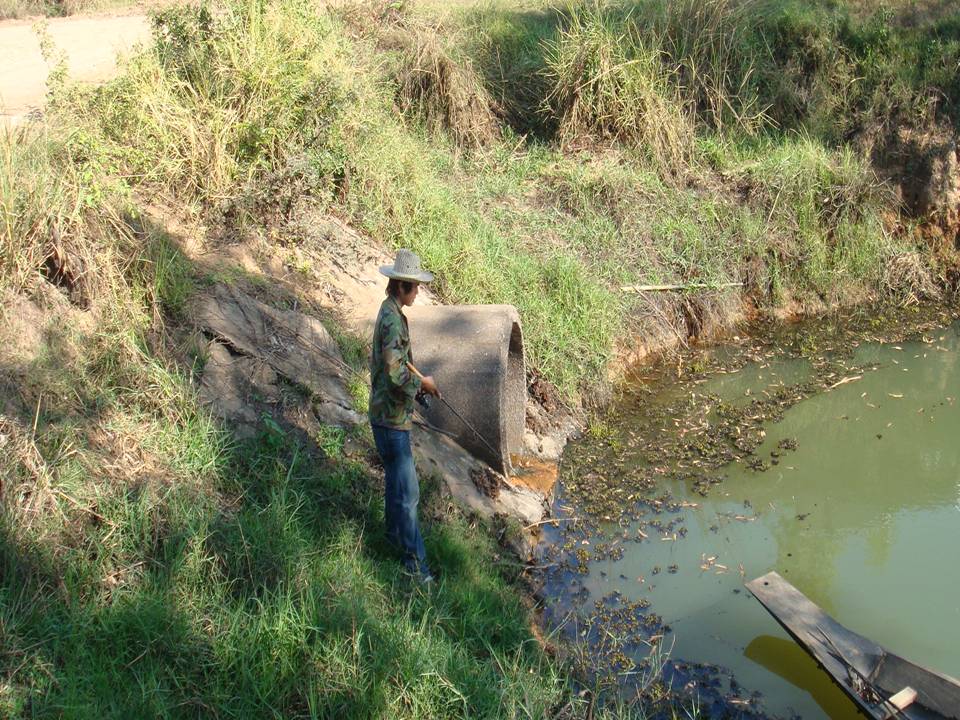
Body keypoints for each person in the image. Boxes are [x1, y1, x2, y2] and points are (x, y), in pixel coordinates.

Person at [369, 249, 441, 583]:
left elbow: (397, 370)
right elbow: (396, 371)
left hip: (389, 416)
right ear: (401, 287)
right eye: (414, 287)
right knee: (409, 495)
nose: (418, 292)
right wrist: (422, 383)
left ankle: (391, 540)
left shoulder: (391, 312)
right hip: (390, 421)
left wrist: (419, 389)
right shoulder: (393, 319)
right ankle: (417, 568)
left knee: (395, 487)